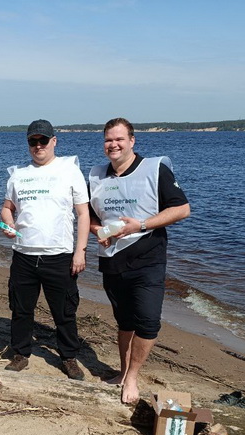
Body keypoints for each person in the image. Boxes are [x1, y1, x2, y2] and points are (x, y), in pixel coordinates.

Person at [88, 117, 190, 404]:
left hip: (148, 257)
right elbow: (90, 216)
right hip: (112, 260)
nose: (114, 145)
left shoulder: (154, 169)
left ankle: (132, 376)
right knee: (124, 322)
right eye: (109, 140)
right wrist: (98, 231)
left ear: (132, 141)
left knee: (147, 322)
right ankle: (123, 373)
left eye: (119, 139)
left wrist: (141, 225)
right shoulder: (96, 175)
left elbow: (182, 209)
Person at [0, 119, 90, 380]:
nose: (38, 146)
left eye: (43, 140)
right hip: (24, 254)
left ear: (54, 141)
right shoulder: (18, 174)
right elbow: (7, 208)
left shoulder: (70, 170)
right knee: (21, 309)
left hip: (59, 255)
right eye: (33, 141)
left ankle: (69, 357)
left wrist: (80, 251)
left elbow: (83, 214)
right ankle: (21, 353)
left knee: (64, 312)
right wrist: (8, 224)